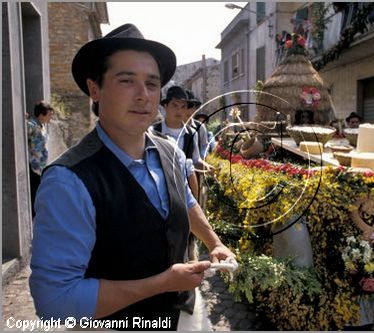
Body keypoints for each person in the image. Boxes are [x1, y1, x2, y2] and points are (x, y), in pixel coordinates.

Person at [29, 23, 234, 330]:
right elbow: (55, 303)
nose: (143, 96)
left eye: (152, 84)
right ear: (94, 89)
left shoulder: (170, 153)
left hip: (183, 316)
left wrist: (214, 242)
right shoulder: (68, 181)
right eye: (127, 81)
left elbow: (187, 201)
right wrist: (162, 283)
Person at [26, 100, 54, 216]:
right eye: (49, 115)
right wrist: (24, 119)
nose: (50, 118)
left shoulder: (42, 126)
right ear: (41, 115)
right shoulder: (32, 125)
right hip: (33, 165)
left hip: (40, 167)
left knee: (38, 194)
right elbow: (22, 129)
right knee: (34, 195)